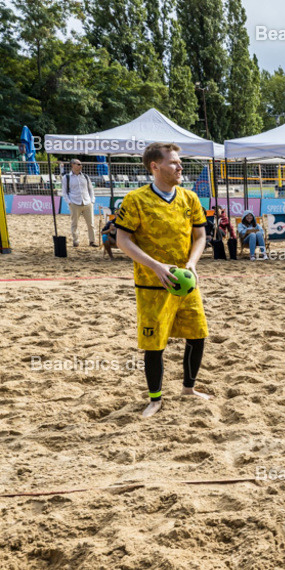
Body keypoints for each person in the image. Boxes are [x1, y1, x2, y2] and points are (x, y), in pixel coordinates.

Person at [114, 142, 210, 418]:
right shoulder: (135, 200)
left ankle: (188, 389)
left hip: (186, 282)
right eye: (173, 162)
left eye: (180, 162)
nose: (180, 167)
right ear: (155, 166)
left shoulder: (190, 198)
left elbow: (200, 236)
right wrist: (155, 266)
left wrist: (191, 264)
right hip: (151, 284)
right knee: (154, 344)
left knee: (197, 334)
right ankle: (155, 399)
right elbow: (122, 240)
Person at [61, 159, 97, 247]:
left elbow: (91, 189)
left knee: (91, 224)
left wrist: (92, 201)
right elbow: (64, 192)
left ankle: (92, 241)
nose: (80, 166)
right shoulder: (66, 177)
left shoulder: (85, 176)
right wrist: (69, 202)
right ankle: (75, 241)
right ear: (72, 165)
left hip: (87, 202)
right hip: (74, 203)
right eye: (78, 164)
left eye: (81, 164)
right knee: (74, 224)